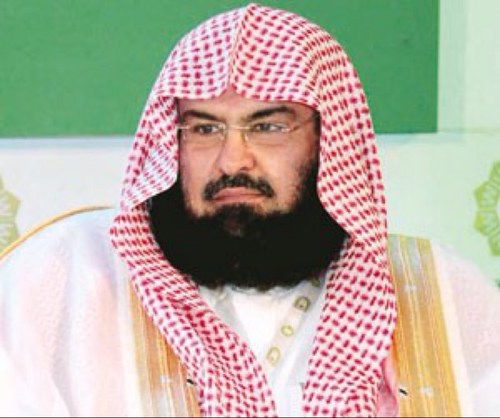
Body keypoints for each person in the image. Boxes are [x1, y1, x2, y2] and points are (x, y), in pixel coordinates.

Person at [0, 3, 499, 417]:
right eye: (204, 128)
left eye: (268, 127)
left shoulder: (445, 294)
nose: (232, 159)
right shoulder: (65, 280)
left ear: (329, 143)